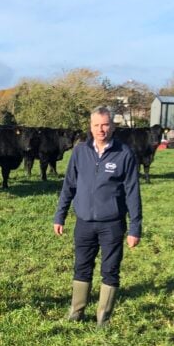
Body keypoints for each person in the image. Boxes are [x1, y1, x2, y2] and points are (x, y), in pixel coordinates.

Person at [53, 106, 142, 326]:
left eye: (105, 125)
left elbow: (132, 192)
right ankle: (77, 312)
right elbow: (69, 185)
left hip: (112, 223)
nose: (100, 129)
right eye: (96, 125)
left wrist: (135, 228)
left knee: (110, 270)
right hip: (84, 222)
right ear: (90, 127)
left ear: (112, 126)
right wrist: (60, 215)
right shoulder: (80, 152)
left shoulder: (124, 154)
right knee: (81, 266)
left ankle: (103, 317)